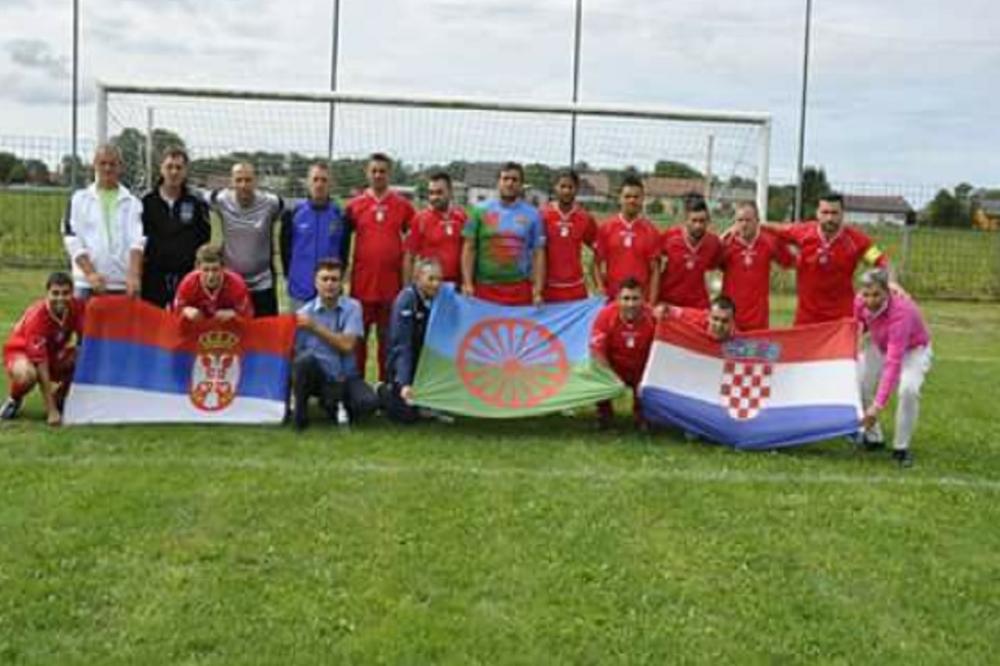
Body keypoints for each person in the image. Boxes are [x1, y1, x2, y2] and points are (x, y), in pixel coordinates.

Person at [765, 192, 890, 325]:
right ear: (817, 213)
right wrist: (788, 260)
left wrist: (889, 284)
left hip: (842, 318)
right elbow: (775, 230)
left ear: (842, 214)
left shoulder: (856, 240)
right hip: (807, 317)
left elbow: (881, 261)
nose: (829, 218)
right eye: (825, 212)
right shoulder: (803, 232)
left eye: (834, 213)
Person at [343, 153, 415, 381]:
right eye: (374, 171)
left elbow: (414, 240)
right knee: (358, 342)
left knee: (388, 341)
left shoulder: (402, 206)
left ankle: (386, 387)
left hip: (391, 288)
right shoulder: (355, 206)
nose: (378, 175)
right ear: (367, 173)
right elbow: (342, 241)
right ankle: (357, 386)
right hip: (361, 286)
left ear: (389, 174)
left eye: (382, 171)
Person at [855, 268, 931, 467]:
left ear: (888, 292)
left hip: (912, 349)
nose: (870, 300)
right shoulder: (859, 301)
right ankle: (874, 438)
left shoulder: (902, 313)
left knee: (908, 389)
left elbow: (893, 363)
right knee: (861, 382)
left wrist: (877, 406)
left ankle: (901, 448)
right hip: (879, 342)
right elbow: (856, 326)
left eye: (877, 295)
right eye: (866, 294)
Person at [292, 258, 378, 429]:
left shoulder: (353, 307)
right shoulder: (303, 314)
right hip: (320, 378)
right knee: (304, 361)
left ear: (342, 282)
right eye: (324, 279)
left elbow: (347, 345)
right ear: (316, 282)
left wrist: (315, 326)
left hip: (347, 377)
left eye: (334, 279)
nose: (329, 284)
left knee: (369, 403)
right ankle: (300, 416)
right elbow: (295, 354)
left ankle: (333, 404)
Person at [62, 144, 145, 299]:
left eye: (112, 164)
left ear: (120, 167)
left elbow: (137, 241)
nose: (107, 168)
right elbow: (71, 238)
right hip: (87, 285)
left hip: (123, 285)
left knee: (125, 325)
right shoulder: (78, 199)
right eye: (102, 163)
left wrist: (133, 275)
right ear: (94, 165)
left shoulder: (133, 202)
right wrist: (90, 274)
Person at [1, 272, 85, 425]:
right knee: (28, 375)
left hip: (52, 353)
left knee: (84, 357)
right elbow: (42, 366)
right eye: (55, 293)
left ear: (72, 294)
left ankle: (61, 397)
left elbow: (84, 338)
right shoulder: (38, 318)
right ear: (47, 293)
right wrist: (51, 411)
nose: (60, 298)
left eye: (65, 293)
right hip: (21, 352)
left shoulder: (77, 307)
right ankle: (14, 399)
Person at [461, 161, 546, 305]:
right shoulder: (479, 211)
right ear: (498, 182)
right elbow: (469, 248)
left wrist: (538, 290)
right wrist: (467, 283)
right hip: (484, 289)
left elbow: (539, 253)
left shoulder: (533, 214)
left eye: (514, 179)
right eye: (505, 178)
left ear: (521, 184)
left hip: (520, 290)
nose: (509, 183)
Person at [210, 162, 283, 317]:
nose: (243, 185)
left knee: (264, 332)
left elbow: (287, 214)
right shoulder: (221, 200)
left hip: (263, 282)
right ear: (231, 182)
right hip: (230, 281)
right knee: (232, 334)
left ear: (256, 181)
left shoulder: (271, 203)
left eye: (248, 180)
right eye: (239, 180)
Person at [589, 277, 657, 430]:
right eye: (626, 299)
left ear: (643, 299)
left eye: (635, 299)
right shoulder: (605, 316)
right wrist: (609, 377)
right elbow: (597, 352)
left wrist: (648, 377)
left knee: (650, 384)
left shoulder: (653, 317)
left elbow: (659, 353)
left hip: (641, 368)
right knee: (596, 371)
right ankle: (604, 414)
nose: (631, 304)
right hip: (615, 368)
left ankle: (642, 415)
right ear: (618, 299)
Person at [280, 162, 349, 311]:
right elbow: (285, 249)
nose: (319, 184)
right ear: (308, 182)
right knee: (300, 333)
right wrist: (290, 275)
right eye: (315, 179)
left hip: (329, 290)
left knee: (327, 334)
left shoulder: (340, 215)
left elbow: (344, 251)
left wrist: (339, 281)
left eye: (324, 180)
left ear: (331, 184)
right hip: (300, 287)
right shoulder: (293, 212)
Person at [383, 258, 444, 423]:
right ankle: (384, 390)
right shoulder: (406, 300)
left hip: (426, 361)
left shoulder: (440, 299)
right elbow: (402, 346)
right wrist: (404, 383)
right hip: (403, 362)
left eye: (439, 279)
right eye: (431, 279)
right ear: (417, 278)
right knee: (405, 418)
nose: (436, 284)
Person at [720, 201, 795, 330]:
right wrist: (722, 237)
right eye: (740, 220)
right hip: (730, 318)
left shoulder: (769, 242)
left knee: (757, 350)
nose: (744, 224)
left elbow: (790, 262)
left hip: (758, 319)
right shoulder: (726, 244)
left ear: (757, 221)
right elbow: (707, 260)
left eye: (748, 220)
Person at [594, 175, 660, 302]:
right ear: (620, 198)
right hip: (612, 298)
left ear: (642, 199)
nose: (632, 200)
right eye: (627, 196)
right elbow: (596, 263)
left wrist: (652, 302)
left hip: (640, 301)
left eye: (636, 197)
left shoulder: (651, 231)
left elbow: (655, 271)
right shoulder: (606, 228)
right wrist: (600, 287)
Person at [540, 170, 598, 302]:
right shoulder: (542, 215)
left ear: (576, 189)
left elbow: (598, 249)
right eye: (562, 186)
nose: (566, 191)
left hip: (575, 288)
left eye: (570, 187)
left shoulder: (585, 218)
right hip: (547, 288)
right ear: (555, 187)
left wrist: (598, 282)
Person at [658, 194, 722, 309]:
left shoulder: (714, 243)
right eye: (694, 220)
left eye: (702, 221)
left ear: (708, 221)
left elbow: (715, 268)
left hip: (698, 305)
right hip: (669, 302)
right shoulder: (670, 238)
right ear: (686, 220)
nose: (698, 225)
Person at [404, 171, 466, 284]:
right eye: (431, 193)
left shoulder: (462, 217)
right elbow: (409, 256)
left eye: (439, 192)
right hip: (430, 286)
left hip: (456, 286)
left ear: (450, 192)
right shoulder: (420, 219)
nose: (434, 197)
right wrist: (407, 288)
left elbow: (468, 252)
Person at [173, 244, 254, 320]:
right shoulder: (188, 284)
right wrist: (185, 311)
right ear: (197, 268)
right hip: (198, 328)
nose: (210, 275)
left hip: (228, 328)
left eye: (215, 269)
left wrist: (235, 314)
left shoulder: (237, 285)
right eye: (206, 270)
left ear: (223, 267)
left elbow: (248, 316)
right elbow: (176, 311)